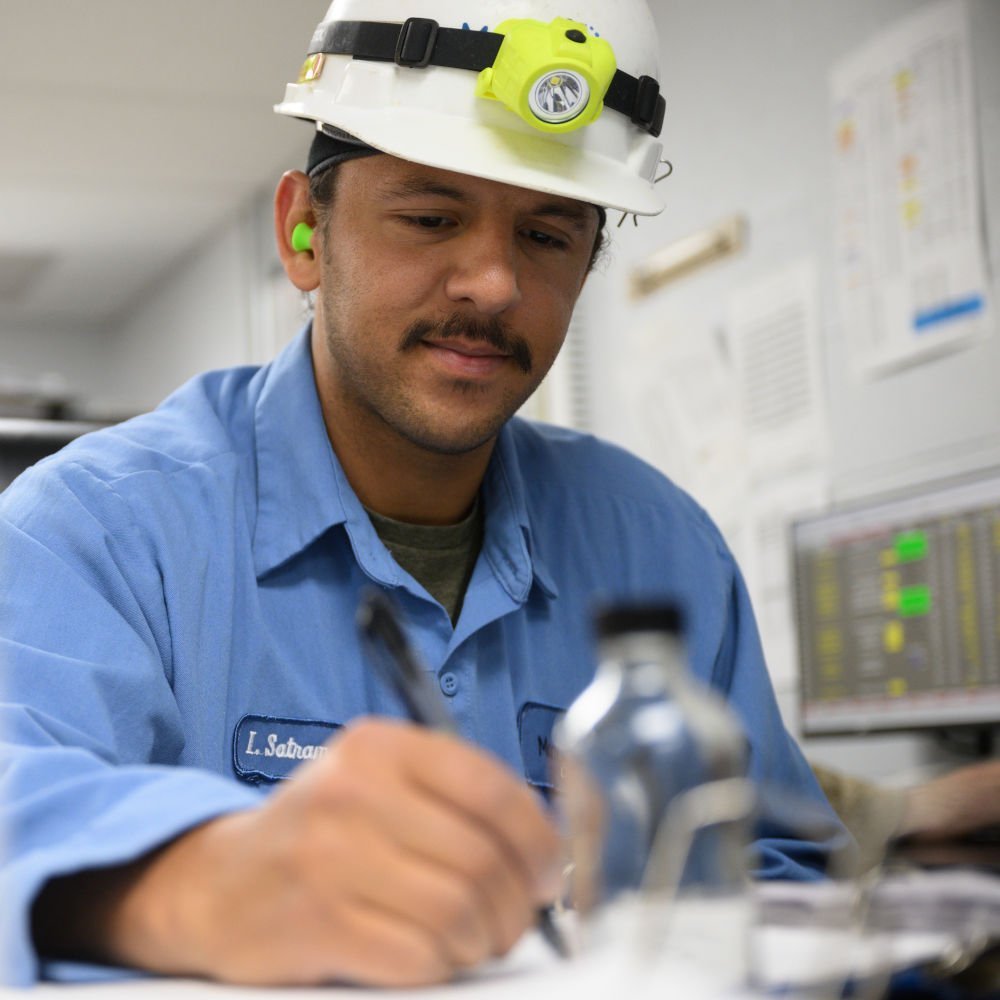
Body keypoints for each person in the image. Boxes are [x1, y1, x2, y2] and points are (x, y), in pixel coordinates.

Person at [0, 0, 848, 988]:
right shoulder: (95, 532)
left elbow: (785, 874)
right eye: (431, 219)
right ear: (304, 233)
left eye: (547, 234)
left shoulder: (660, 546)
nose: (492, 282)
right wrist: (199, 882)